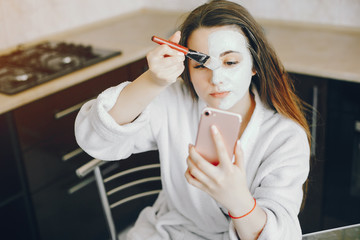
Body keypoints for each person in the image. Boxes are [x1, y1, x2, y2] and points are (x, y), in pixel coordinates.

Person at [75, 0, 311, 239]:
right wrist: (152, 81)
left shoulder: (285, 137)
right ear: (186, 67)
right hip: (166, 232)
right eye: (200, 65)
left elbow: (283, 235)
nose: (216, 79)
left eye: (230, 62)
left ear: (254, 65)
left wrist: (238, 202)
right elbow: (95, 140)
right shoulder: (174, 101)